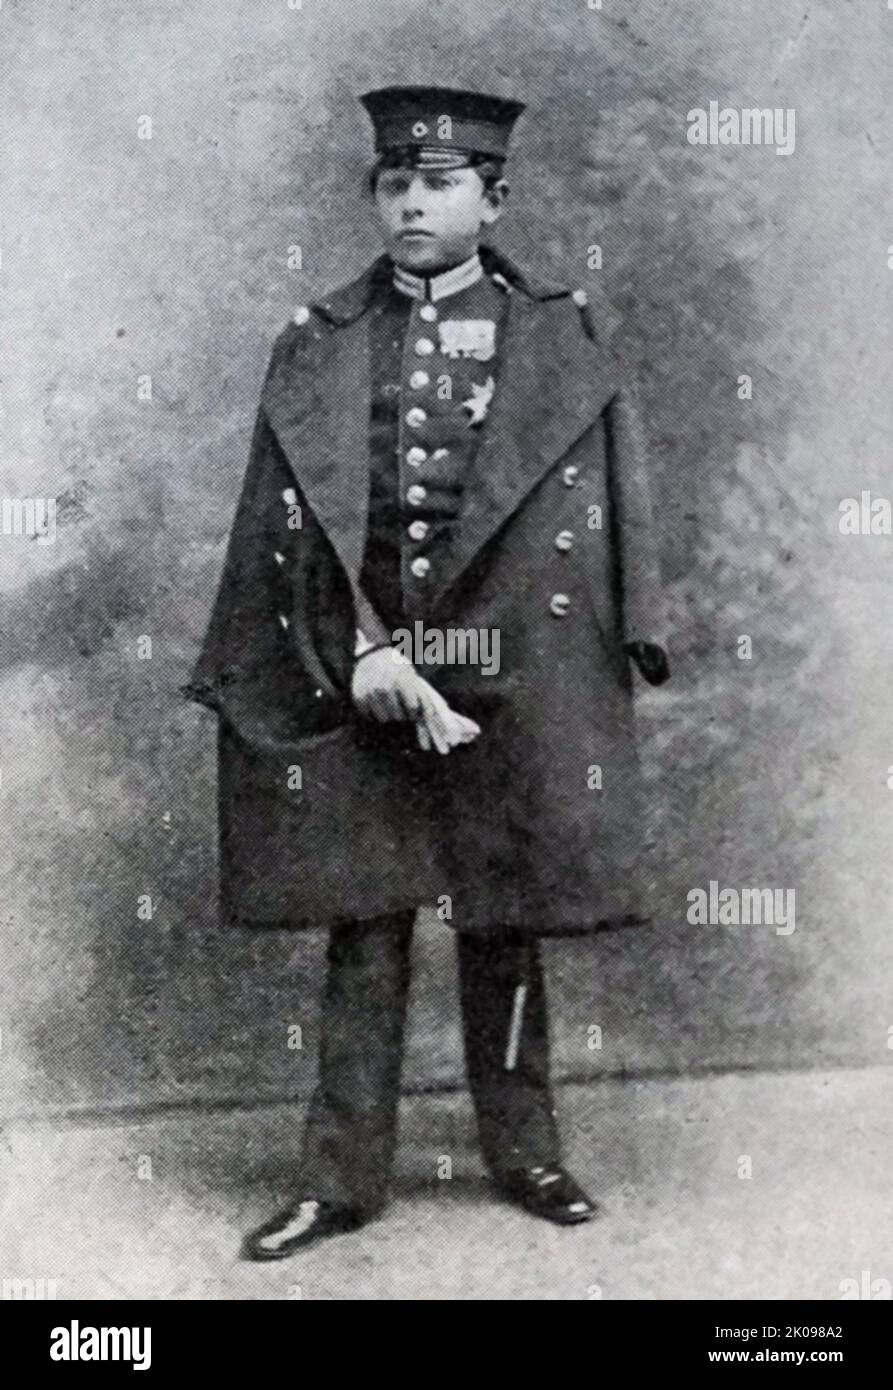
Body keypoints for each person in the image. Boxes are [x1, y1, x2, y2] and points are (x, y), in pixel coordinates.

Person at [186, 85, 671, 1260]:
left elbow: (618, 497)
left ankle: (527, 1153)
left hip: (515, 657)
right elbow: (278, 524)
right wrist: (355, 654)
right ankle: (340, 1180)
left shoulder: (564, 330)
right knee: (365, 924)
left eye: (439, 183)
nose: (411, 200)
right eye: (393, 182)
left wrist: (632, 632)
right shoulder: (319, 337)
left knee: (503, 918)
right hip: (362, 664)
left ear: (493, 198)